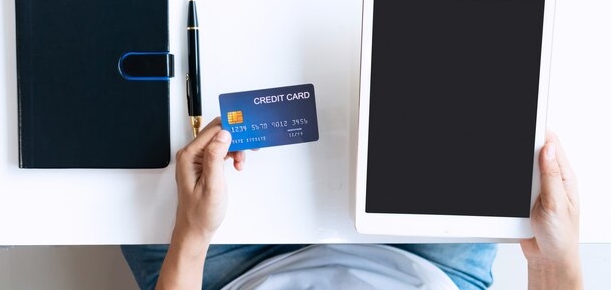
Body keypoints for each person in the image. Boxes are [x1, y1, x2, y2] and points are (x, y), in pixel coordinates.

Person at [122, 118, 583, 290]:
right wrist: (550, 261)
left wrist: (194, 232)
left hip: (227, 271)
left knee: (126, 151)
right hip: (426, 267)